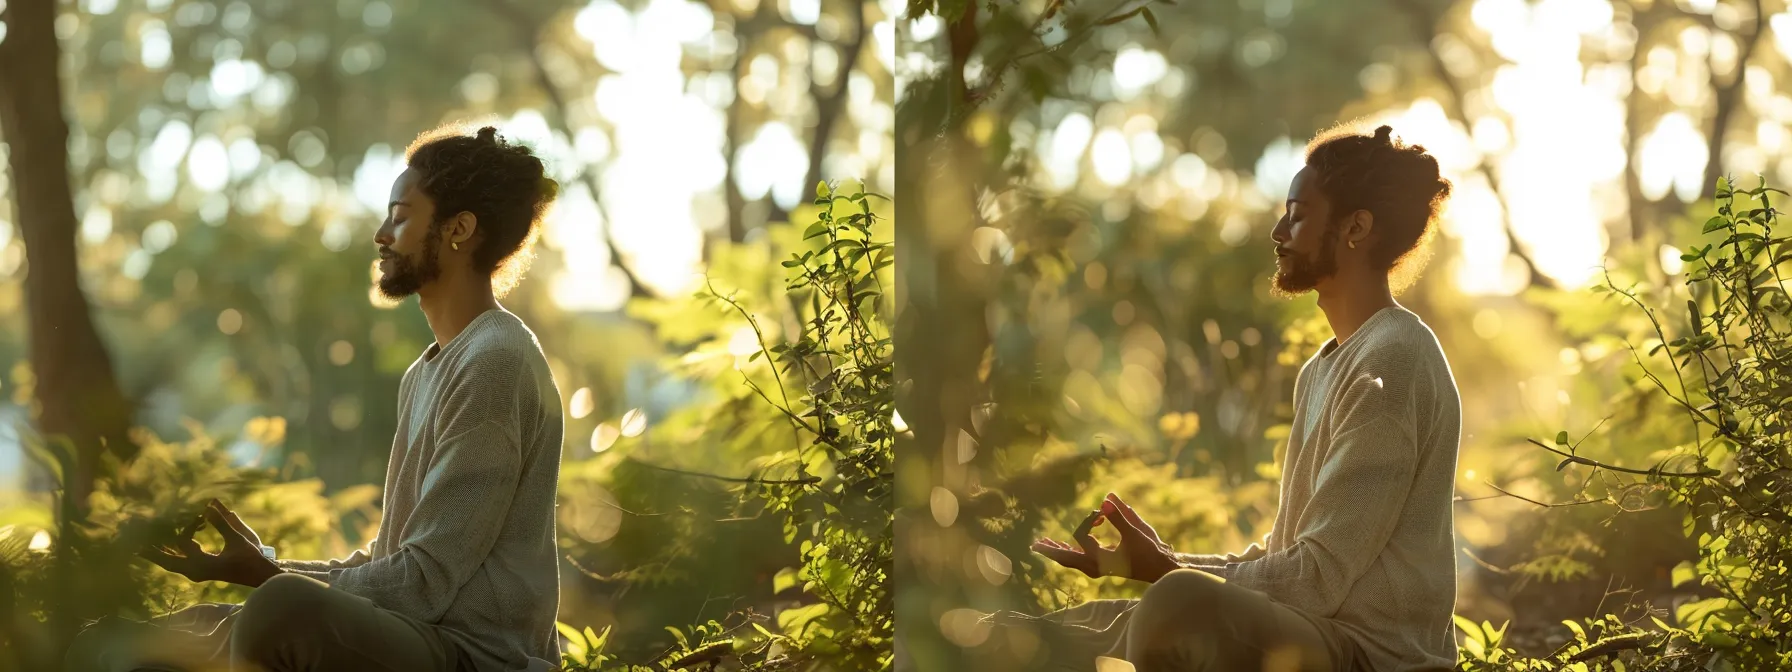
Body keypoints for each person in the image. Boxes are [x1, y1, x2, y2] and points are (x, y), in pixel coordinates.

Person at [65, 124, 567, 672]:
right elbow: (388, 566)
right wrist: (261, 565)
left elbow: (423, 584)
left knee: (279, 611)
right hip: (416, 634)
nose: (381, 233)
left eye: (399, 216)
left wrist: (268, 578)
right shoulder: (426, 373)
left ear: (459, 229)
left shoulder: (496, 357)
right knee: (150, 636)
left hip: (476, 656)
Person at [1018, 122, 1463, 672]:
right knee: (1062, 629)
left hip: (1372, 659)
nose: (1279, 231)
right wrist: (1158, 564)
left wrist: (1168, 573)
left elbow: (1314, 582)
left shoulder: (1393, 357)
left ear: (1356, 228)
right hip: (1316, 636)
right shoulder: (1324, 368)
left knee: (1176, 605)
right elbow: (1285, 562)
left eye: (1298, 214)